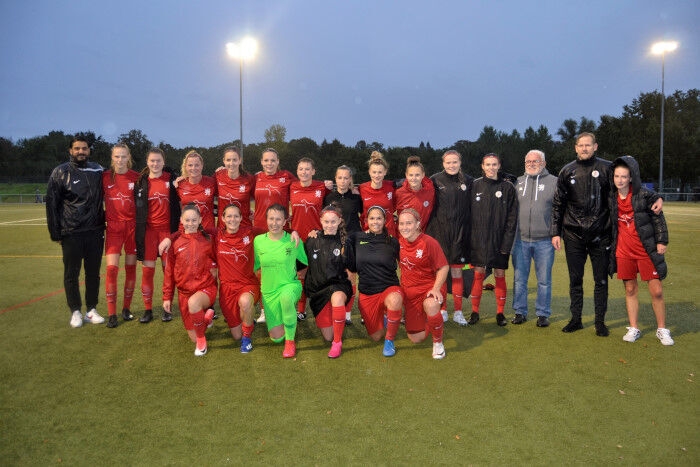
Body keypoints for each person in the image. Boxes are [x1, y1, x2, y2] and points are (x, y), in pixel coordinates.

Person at [551, 132, 663, 336]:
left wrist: (656, 195)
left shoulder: (607, 168)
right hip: (573, 235)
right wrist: (555, 232)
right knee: (575, 280)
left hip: (601, 235)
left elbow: (630, 186)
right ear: (575, 148)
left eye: (588, 145)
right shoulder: (566, 171)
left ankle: (599, 322)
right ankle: (575, 319)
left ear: (595, 146)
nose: (584, 148)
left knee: (600, 280)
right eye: (580, 145)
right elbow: (558, 204)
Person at [609, 156, 672, 345]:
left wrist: (661, 240)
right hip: (623, 251)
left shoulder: (643, 195)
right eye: (617, 176)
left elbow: (658, 218)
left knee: (657, 291)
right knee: (630, 289)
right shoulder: (610, 198)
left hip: (645, 251)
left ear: (631, 178)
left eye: (624, 176)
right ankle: (634, 327)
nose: (620, 180)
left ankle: (662, 329)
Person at [46, 136, 105, 328]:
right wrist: (56, 233)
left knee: (93, 273)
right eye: (77, 148)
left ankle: (91, 309)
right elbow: (52, 204)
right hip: (71, 231)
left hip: (95, 231)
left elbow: (119, 180)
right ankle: (75, 311)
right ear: (70, 151)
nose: (81, 151)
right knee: (71, 274)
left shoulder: (97, 170)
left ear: (89, 151)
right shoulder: (60, 172)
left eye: (84, 148)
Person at [467, 153, 518, 326]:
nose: (491, 168)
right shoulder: (474, 186)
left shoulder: (508, 188)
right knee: (479, 275)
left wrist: (507, 244)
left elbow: (512, 219)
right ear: (482, 166)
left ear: (499, 166)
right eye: (487, 164)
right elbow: (467, 216)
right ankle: (474, 312)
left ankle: (500, 313)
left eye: (494, 164)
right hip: (478, 241)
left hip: (499, 241)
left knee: (499, 274)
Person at [345, 205, 403, 357]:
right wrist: (315, 232)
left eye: (379, 218)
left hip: (388, 287)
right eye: (372, 218)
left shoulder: (393, 242)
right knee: (376, 336)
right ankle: (386, 319)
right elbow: (336, 234)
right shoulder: (356, 238)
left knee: (395, 300)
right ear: (366, 220)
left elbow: (406, 262)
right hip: (367, 292)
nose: (375, 221)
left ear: (385, 221)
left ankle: (390, 341)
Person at [425, 150, 474, 326]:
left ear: (460, 163)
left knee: (457, 272)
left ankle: (458, 312)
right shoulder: (435, 180)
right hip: (440, 234)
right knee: (442, 274)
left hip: (460, 234)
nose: (451, 165)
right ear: (443, 164)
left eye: (455, 162)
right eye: (448, 162)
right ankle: (443, 309)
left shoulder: (468, 181)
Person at [254, 204, 308, 358]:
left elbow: (305, 263)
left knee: (286, 299)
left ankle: (290, 342)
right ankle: (288, 322)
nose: (274, 223)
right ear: (266, 220)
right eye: (271, 218)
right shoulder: (258, 241)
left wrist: (300, 278)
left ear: (285, 221)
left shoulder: (293, 240)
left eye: (279, 219)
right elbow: (255, 266)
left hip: (290, 285)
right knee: (276, 337)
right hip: (269, 291)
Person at [162, 203, 217, 356]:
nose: (190, 224)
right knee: (192, 335)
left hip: (205, 289)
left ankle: (201, 343)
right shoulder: (175, 242)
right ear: (181, 220)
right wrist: (167, 297)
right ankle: (206, 319)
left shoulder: (209, 239)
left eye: (194, 220)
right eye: (187, 220)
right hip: (184, 294)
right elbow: (169, 273)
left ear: (200, 220)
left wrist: (214, 268)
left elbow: (220, 258)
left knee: (195, 305)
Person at [510, 150, 557, 327]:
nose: (531, 164)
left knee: (544, 280)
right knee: (520, 279)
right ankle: (519, 311)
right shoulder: (517, 182)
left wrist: (555, 233)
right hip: (520, 240)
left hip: (544, 240)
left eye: (535, 161)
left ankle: (543, 313)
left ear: (543, 163)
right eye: (528, 161)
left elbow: (559, 211)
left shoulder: (554, 182)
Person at [135, 147, 180, 323]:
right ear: (147, 162)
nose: (155, 164)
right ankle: (147, 310)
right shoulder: (141, 182)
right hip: (149, 233)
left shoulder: (172, 179)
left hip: (167, 232)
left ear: (163, 162)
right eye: (152, 161)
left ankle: (166, 307)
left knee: (168, 271)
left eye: (158, 161)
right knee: (147, 272)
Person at [397, 209, 449, 359]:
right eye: (401, 223)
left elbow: (444, 267)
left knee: (431, 305)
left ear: (418, 224)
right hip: (410, 293)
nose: (404, 227)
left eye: (409, 223)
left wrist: (436, 288)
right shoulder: (398, 242)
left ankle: (438, 343)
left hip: (429, 288)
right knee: (416, 339)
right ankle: (430, 320)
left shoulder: (429, 242)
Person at [303, 204, 353, 358]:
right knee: (327, 336)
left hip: (338, 285)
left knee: (337, 298)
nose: (330, 225)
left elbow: (352, 270)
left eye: (333, 221)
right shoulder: (312, 240)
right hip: (319, 292)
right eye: (326, 222)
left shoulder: (345, 242)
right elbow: (302, 265)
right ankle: (334, 329)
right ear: (321, 221)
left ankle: (337, 343)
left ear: (339, 222)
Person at [102, 143, 140, 328]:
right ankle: (111, 314)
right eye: (117, 156)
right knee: (111, 270)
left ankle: (126, 308)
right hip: (114, 229)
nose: (120, 160)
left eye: (123, 156)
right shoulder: (104, 177)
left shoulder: (136, 177)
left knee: (131, 269)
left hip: (132, 228)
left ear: (128, 158)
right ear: (112, 158)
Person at [216, 204, 262, 353]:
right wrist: (170, 238)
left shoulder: (250, 232)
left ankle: (247, 338)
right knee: (236, 334)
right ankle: (247, 322)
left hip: (248, 284)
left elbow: (274, 231)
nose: (232, 219)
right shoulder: (217, 235)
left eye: (236, 216)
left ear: (242, 218)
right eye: (228, 216)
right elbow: (193, 229)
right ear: (222, 218)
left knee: (245, 302)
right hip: (227, 288)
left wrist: (293, 231)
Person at [290, 157, 330, 321]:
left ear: (313, 171)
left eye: (307, 169)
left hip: (316, 239)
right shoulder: (291, 186)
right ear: (297, 171)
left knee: (319, 276)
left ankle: (324, 309)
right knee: (300, 275)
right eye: (301, 169)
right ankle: (301, 310)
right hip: (297, 238)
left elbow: (337, 196)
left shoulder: (322, 187)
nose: (304, 172)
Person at [324, 165, 363, 324]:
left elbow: (364, 215)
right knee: (333, 276)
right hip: (334, 241)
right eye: (340, 177)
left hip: (352, 241)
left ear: (350, 180)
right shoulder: (328, 197)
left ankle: (347, 313)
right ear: (335, 179)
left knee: (350, 277)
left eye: (346, 178)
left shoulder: (355, 197)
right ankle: (335, 307)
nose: (342, 181)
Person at [176, 150, 217, 234]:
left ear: (202, 166)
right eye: (190, 165)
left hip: (207, 231)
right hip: (186, 231)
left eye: (197, 165)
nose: (193, 168)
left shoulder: (212, 182)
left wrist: (224, 169)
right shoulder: (179, 184)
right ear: (186, 167)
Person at [358, 151, 397, 237]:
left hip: (388, 233)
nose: (377, 175)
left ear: (385, 172)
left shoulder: (391, 187)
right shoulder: (361, 188)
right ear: (369, 172)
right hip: (368, 233)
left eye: (380, 172)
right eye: (374, 172)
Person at [216, 147, 255, 228]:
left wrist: (255, 213)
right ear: (224, 160)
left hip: (244, 227)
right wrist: (184, 177)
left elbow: (261, 197)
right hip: (223, 228)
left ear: (240, 160)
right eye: (228, 160)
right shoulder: (218, 176)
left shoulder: (249, 179)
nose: (231, 163)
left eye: (234, 160)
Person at [395, 156, 435, 226]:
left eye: (417, 175)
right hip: (403, 235)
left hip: (423, 234)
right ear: (406, 175)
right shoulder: (399, 193)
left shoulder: (430, 190)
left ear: (423, 175)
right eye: (411, 175)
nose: (414, 178)